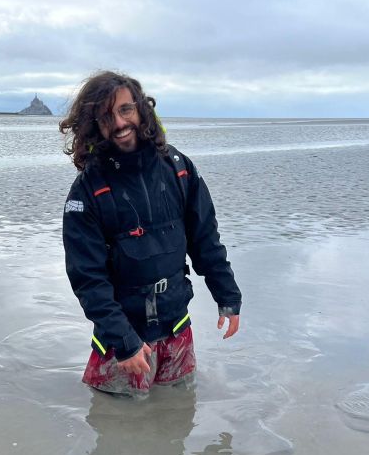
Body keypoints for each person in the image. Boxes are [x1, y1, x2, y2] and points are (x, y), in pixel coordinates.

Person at [59, 70, 241, 395]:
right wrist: (124, 342)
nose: (118, 123)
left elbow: (205, 241)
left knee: (179, 411)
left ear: (142, 109)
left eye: (125, 109)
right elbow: (87, 278)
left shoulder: (179, 168)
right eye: (105, 116)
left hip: (177, 325)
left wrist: (227, 296)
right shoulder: (86, 192)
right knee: (116, 425)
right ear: (93, 125)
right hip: (122, 338)